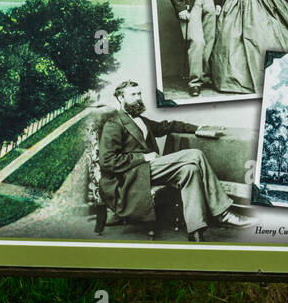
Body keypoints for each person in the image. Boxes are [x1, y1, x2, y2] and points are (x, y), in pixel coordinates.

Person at [97, 80, 251, 241]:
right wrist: (143, 157)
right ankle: (223, 213)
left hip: (147, 170)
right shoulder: (114, 124)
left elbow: (168, 126)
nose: (138, 98)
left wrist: (197, 128)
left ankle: (195, 230)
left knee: (189, 171)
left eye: (139, 93)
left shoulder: (141, 120)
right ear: (121, 98)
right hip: (131, 176)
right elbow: (107, 161)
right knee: (195, 154)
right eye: (133, 94)